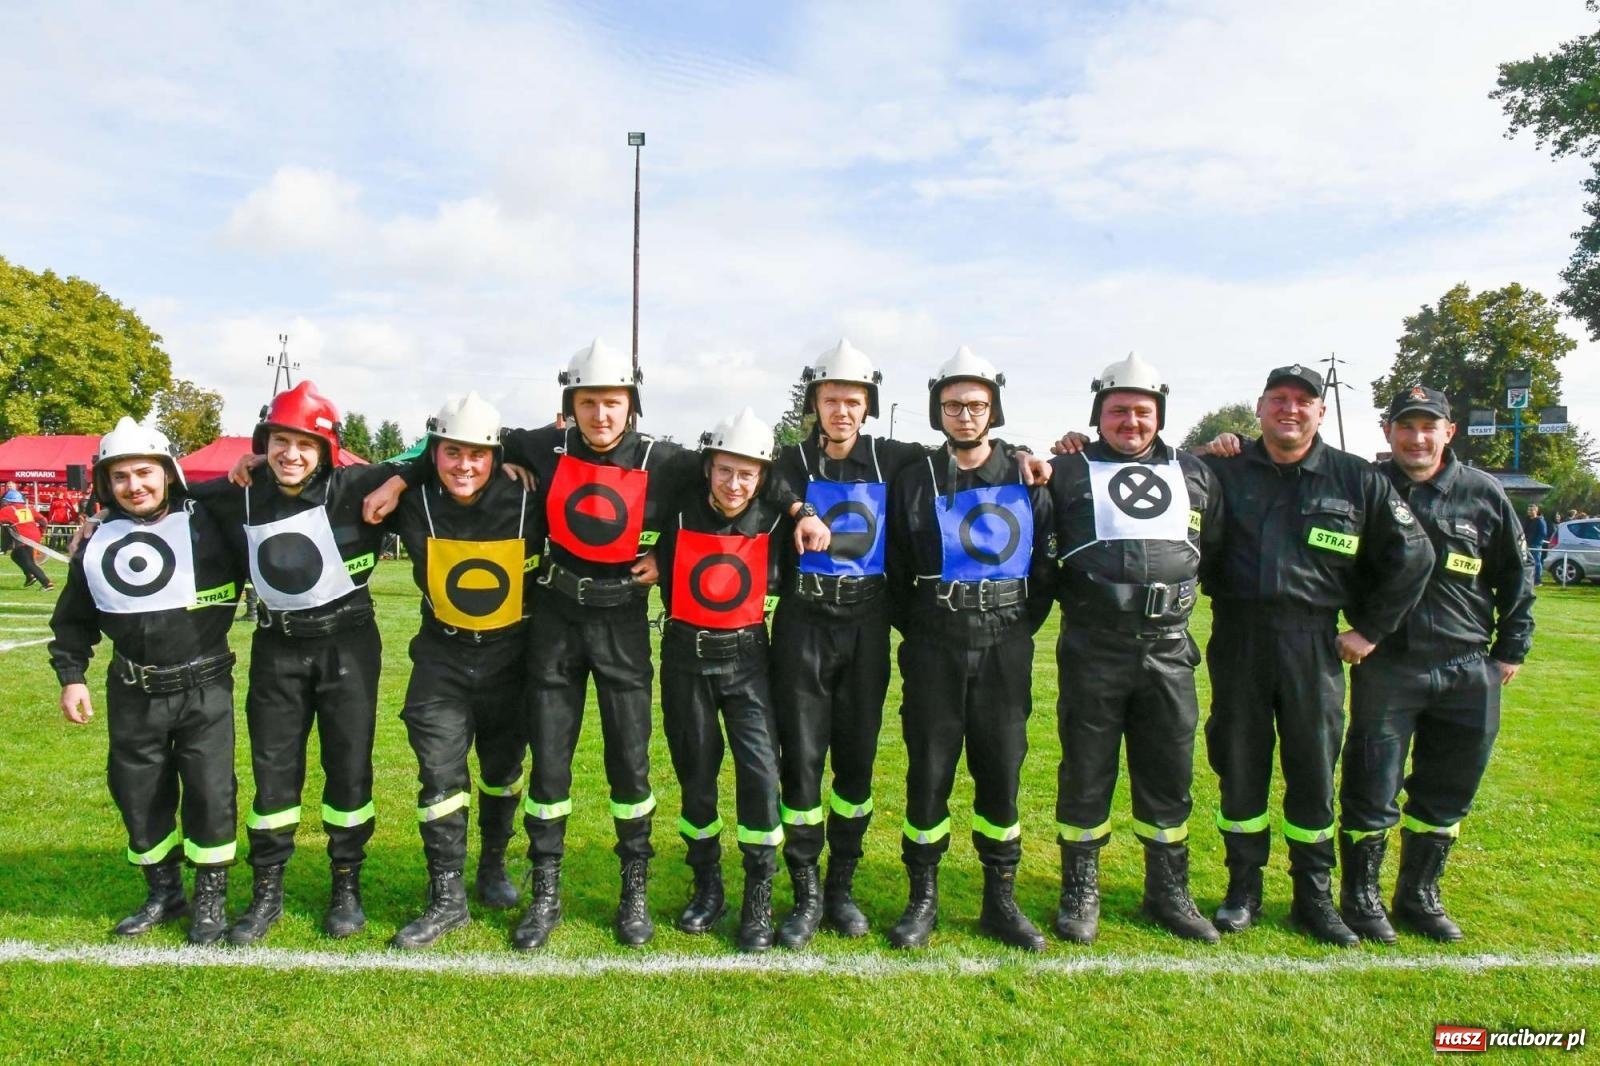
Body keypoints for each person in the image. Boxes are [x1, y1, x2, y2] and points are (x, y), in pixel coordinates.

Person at [1198, 364, 1433, 946]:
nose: (1290, 409)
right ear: (1259, 408)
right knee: (1240, 766)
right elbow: (1151, 467)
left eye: (1303, 401)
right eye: (1278, 399)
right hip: (1240, 637)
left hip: (1314, 642)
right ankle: (1243, 890)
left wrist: (1371, 630)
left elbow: (1415, 555)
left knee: (1312, 770)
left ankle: (1314, 897)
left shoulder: (1356, 478)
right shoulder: (1225, 468)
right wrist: (1202, 448)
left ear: (1320, 412)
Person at [188, 380, 415, 945]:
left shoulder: (356, 484)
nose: (291, 454)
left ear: (326, 450)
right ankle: (268, 890)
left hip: (349, 649)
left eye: (305, 444)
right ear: (263, 444)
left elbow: (437, 454)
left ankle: (346, 884)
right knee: (273, 771)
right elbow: (162, 493)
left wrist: (399, 478)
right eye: (279, 442)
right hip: (277, 650)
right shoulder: (240, 492)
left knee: (349, 766)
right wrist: (99, 518)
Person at [1338, 386, 1536, 943]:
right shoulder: (1365, 487)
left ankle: (1418, 896)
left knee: (1448, 789)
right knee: (1371, 784)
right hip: (1389, 665)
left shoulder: (1482, 492)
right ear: (1388, 432)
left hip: (1467, 666)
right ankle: (1361, 897)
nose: (1417, 438)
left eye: (1429, 427)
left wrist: (1511, 649)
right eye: (1406, 426)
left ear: (1449, 432)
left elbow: (1517, 575)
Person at [1046, 353, 1222, 945]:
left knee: (1169, 770)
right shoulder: (1066, 470)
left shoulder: (1196, 472)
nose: (1131, 422)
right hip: (1094, 646)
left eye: (1143, 412)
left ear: (1160, 415)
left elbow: (1217, 549)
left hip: (1169, 648)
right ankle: (1080, 890)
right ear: (1098, 414)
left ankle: (1168, 890)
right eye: (1118, 410)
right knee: (1086, 770)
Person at [47, 418, 245, 943]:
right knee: (138, 792)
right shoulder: (96, 541)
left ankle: (210, 897)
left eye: (144, 473)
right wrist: (72, 676)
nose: (134, 486)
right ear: (105, 484)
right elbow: (73, 618)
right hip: (133, 691)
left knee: (210, 792)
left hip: (205, 688)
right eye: (120, 477)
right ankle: (164, 892)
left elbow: (267, 489)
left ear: (168, 472)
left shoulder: (211, 519)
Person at [884, 347, 1054, 951]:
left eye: (976, 405)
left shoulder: (1027, 474)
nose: (964, 415)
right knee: (929, 771)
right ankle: (922, 897)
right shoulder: (915, 478)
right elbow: (896, 568)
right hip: (934, 641)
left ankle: (999, 900)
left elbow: (1046, 567)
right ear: (938, 411)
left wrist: (1016, 623)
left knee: (1001, 770)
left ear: (993, 410)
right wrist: (924, 628)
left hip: (1006, 642)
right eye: (953, 405)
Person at [383, 393, 538, 950]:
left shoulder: (529, 494)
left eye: (477, 454)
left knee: (503, 771)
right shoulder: (415, 498)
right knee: (440, 774)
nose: (465, 465)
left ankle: (493, 866)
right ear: (435, 453)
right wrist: (401, 476)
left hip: (512, 659)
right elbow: (328, 475)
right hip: (442, 658)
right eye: (452, 452)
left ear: (496, 455)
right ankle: (447, 897)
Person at [655, 408, 787, 952]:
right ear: (708, 468)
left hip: (748, 662)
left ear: (762, 477)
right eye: (725, 470)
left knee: (760, 776)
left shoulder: (776, 521)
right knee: (696, 777)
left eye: (747, 474)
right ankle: (707, 884)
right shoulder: (675, 509)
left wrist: (801, 510)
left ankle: (759, 894)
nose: (734, 484)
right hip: (684, 658)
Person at [0, 490, 54, 590]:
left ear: (9, 501)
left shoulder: (8, 510)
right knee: (15, 555)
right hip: (34, 535)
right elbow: (43, 521)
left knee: (28, 562)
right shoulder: (28, 509)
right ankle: (30, 576)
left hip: (23, 538)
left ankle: (47, 583)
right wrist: (41, 532)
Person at [1522, 504, 1549, 585]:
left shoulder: (1540, 521)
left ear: (1536, 511)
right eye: (1528, 510)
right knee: (1526, 562)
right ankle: (1527, 579)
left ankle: (1537, 580)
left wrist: (1535, 543)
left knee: (1536, 562)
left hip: (1535, 545)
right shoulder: (1527, 520)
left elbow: (1543, 534)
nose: (1529, 512)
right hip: (1526, 544)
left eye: (1531, 510)